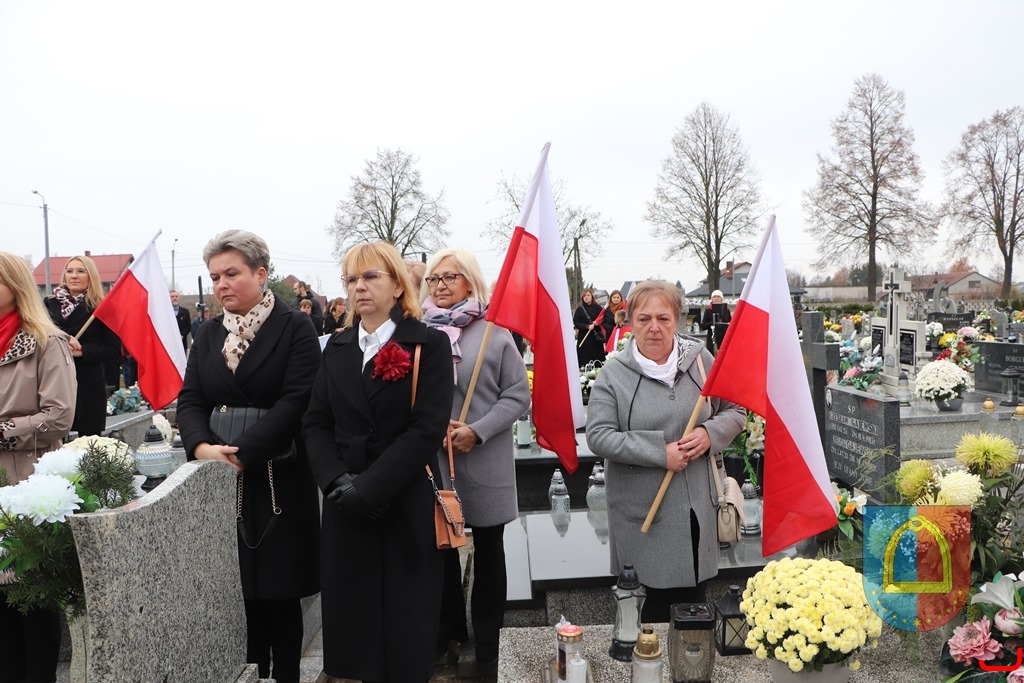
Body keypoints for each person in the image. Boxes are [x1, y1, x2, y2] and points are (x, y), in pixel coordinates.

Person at [303, 242, 452, 683]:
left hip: (402, 499)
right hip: (346, 503)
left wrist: (369, 489)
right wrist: (337, 482)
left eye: (370, 277)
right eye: (351, 279)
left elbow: (426, 429)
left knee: (405, 628)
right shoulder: (337, 347)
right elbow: (316, 422)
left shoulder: (428, 344)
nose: (359, 287)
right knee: (357, 631)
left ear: (397, 285)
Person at [176, 230, 321, 683]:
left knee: (280, 592)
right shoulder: (208, 332)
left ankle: (288, 676)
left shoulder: (294, 327)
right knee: (239, 593)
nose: (221, 284)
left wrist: (242, 453)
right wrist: (201, 447)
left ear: (260, 274)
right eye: (215, 276)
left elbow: (297, 400)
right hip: (221, 477)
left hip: (279, 476)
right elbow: (191, 398)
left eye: (231, 274)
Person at [585, 280, 745, 622]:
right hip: (642, 517)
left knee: (693, 616)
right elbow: (598, 436)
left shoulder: (701, 362)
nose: (654, 327)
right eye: (644, 319)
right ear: (629, 321)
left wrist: (708, 433)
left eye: (663, 318)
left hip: (696, 515)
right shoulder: (613, 376)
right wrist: (660, 452)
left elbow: (735, 411)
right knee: (649, 621)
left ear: (677, 320)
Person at [422, 248, 530, 673]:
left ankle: (489, 640)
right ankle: (447, 630)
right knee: (441, 549)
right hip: (434, 459)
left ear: (469, 281)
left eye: (450, 277)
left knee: (488, 549)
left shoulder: (494, 334)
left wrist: (477, 430)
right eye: (434, 279)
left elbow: (517, 395)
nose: (440, 286)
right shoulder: (418, 332)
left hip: (485, 458)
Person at [0, 251, 77, 683]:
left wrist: (3, 431)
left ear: (15, 286)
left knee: (32, 599)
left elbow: (59, 416)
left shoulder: (48, 342)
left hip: (28, 486)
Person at [44, 255, 121, 437]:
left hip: (87, 384)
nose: (74, 276)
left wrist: (82, 352)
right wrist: (63, 339)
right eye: (69, 271)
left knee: (88, 443)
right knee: (53, 443)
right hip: (54, 382)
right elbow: (37, 334)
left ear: (90, 276)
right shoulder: (49, 304)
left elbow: (113, 349)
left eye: (80, 271)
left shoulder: (102, 307)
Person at [573, 288, 606, 368]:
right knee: (584, 359)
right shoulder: (580, 309)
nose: (586, 297)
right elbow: (576, 322)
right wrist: (587, 326)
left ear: (592, 296)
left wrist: (597, 323)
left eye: (588, 295)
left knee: (597, 360)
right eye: (584, 296)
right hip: (584, 337)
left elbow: (603, 318)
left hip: (596, 338)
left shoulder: (598, 308)